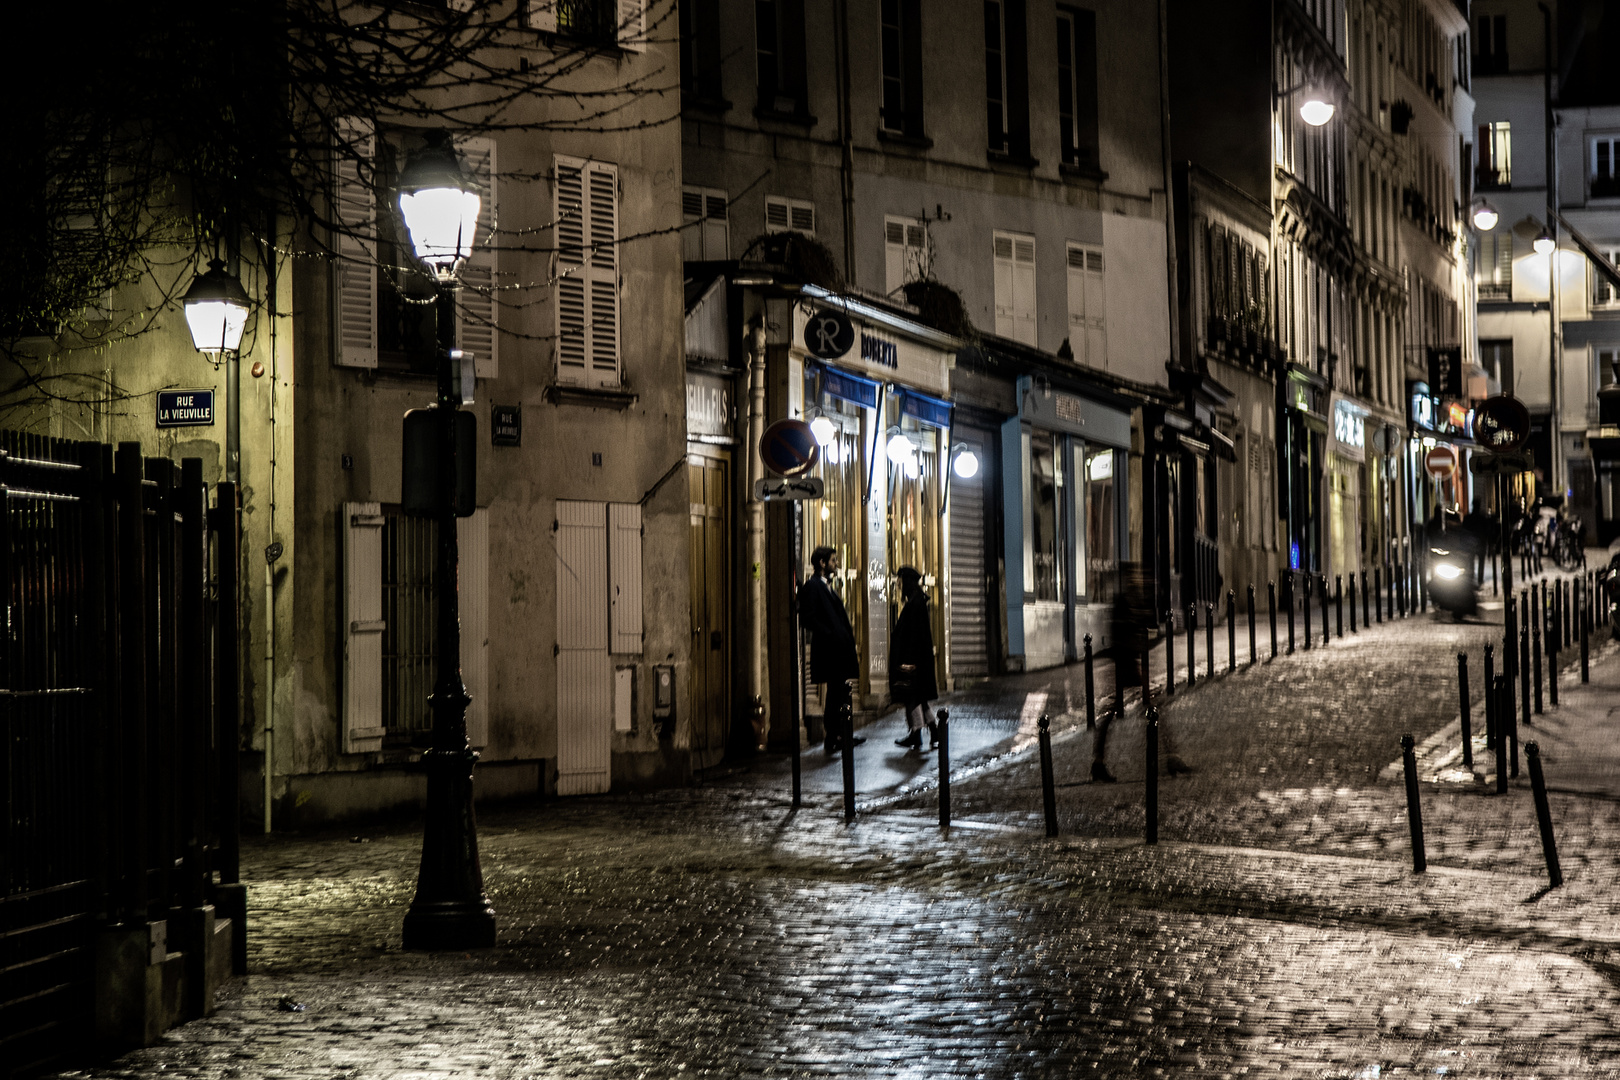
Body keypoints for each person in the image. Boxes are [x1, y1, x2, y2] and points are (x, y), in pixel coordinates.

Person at [797, 546, 863, 754]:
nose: (836, 564)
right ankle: (834, 735)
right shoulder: (813, 586)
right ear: (823, 563)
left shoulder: (827, 586)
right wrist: (829, 633)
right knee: (835, 693)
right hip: (830, 649)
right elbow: (808, 617)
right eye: (833, 560)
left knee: (839, 692)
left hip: (838, 650)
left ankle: (841, 734)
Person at [1097, 562, 1154, 783]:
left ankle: (1098, 761)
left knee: (1146, 707)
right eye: (1131, 577)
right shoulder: (1123, 602)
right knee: (1116, 710)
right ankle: (1098, 761)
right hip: (1125, 662)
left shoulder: (1131, 599)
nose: (1134, 580)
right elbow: (1123, 632)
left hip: (1129, 661)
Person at [888, 566, 939, 751]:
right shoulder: (916, 601)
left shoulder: (915, 604)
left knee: (913, 697)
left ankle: (917, 733)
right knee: (920, 697)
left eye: (901, 581)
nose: (899, 586)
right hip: (918, 660)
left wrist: (908, 662)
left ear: (907, 581)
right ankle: (933, 730)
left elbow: (914, 636)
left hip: (914, 661)